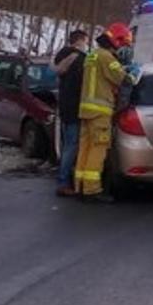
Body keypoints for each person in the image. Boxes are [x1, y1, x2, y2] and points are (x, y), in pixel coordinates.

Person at [74, 22, 135, 202]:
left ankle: (80, 186)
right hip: (100, 111)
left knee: (84, 148)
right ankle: (92, 189)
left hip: (86, 110)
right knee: (98, 150)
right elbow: (122, 79)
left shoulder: (92, 55)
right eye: (123, 44)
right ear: (116, 41)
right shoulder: (107, 58)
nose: (123, 48)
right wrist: (131, 73)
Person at [52, 29, 89, 196]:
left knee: (67, 144)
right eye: (86, 41)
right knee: (71, 146)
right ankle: (64, 181)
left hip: (64, 106)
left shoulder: (61, 57)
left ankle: (64, 178)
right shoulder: (79, 59)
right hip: (75, 107)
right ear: (80, 41)